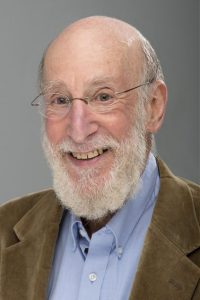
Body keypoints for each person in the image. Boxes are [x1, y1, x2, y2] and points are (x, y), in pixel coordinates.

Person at [0, 16, 199, 300]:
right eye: (60, 100)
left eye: (103, 97)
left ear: (153, 107)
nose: (78, 131)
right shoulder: (4, 230)